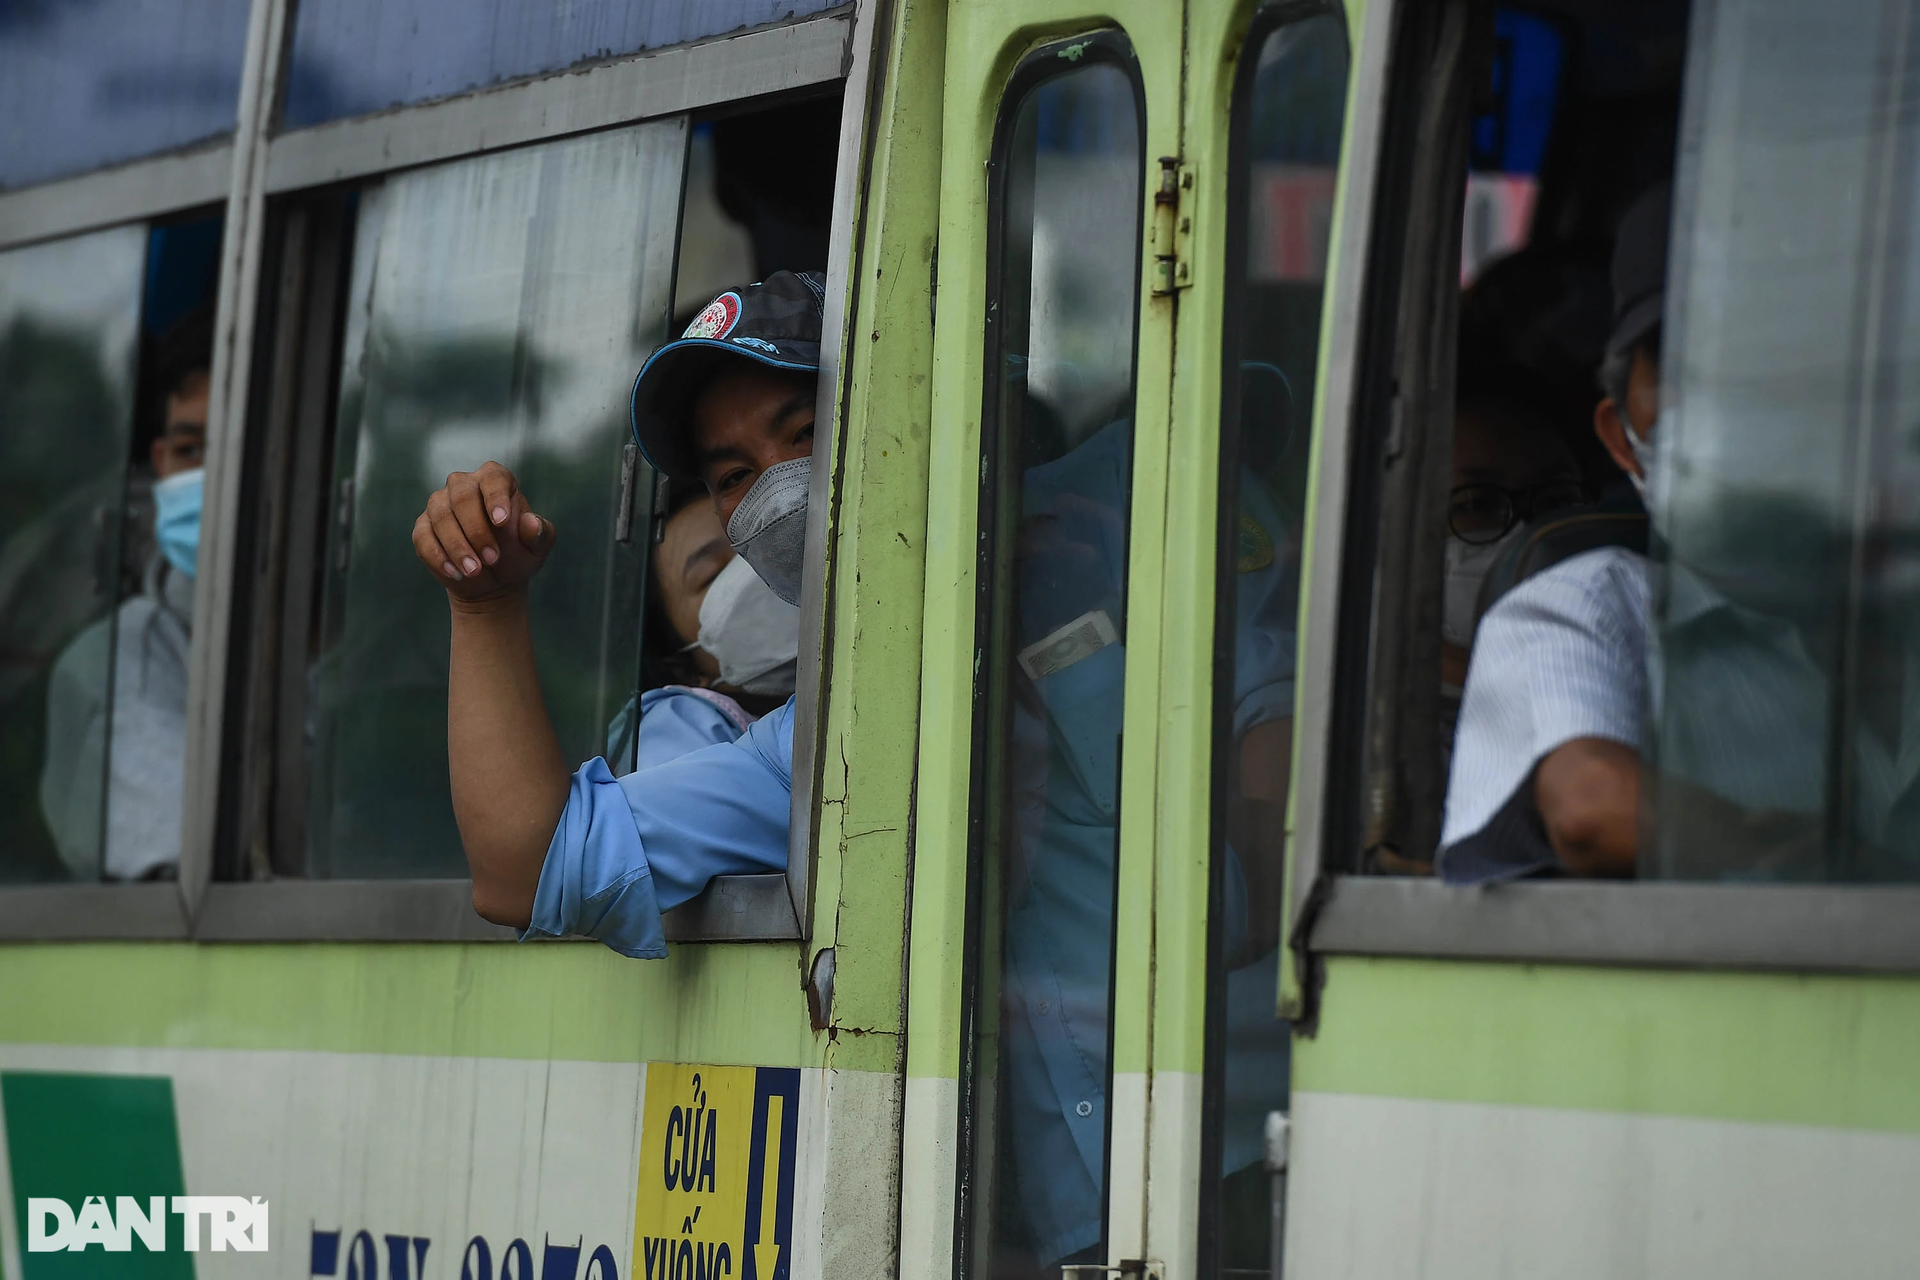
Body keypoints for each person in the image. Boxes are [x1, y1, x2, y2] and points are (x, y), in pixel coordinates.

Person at [39, 309, 210, 881]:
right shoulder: (116, 668)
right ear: (161, 463)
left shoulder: (381, 639)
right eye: (191, 450)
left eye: (242, 449)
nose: (215, 478)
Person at [602, 481, 799, 775]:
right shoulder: (679, 739)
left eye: (755, 540)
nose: (754, 567)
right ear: (685, 669)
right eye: (713, 573)